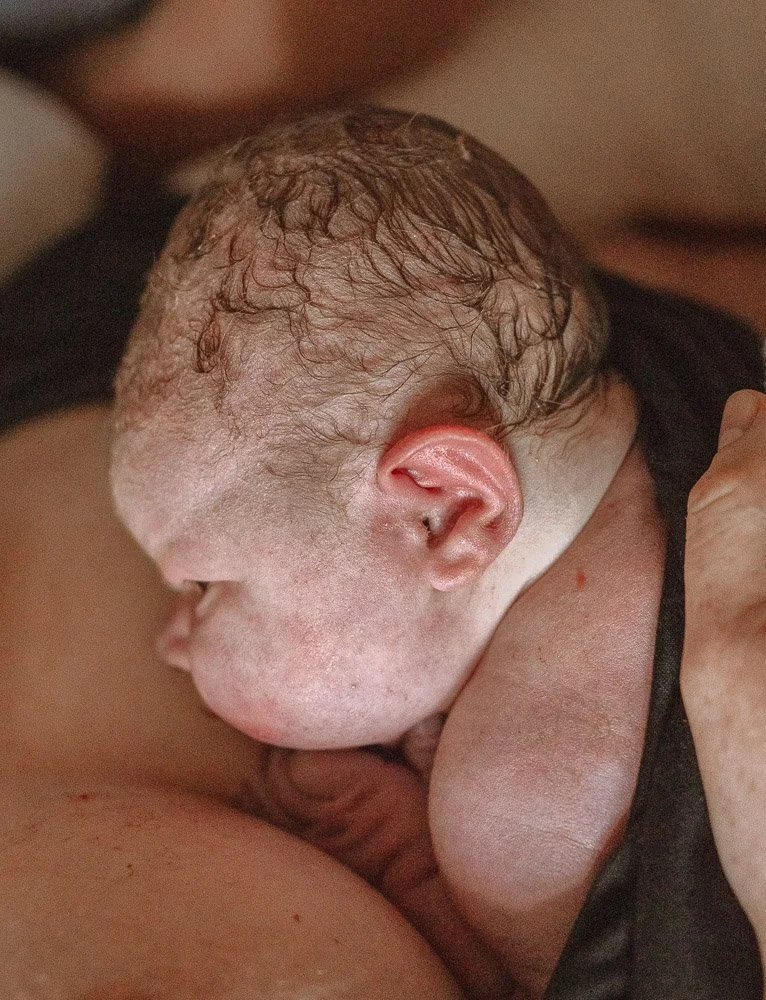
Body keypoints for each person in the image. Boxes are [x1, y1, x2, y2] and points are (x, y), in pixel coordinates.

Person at [107, 106, 765, 998]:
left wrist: (412, 868)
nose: (171, 638)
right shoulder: (677, 355)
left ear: (446, 513)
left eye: (205, 581)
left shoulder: (515, 819)